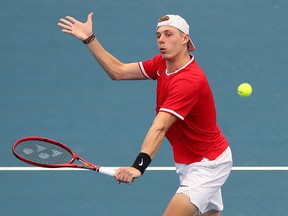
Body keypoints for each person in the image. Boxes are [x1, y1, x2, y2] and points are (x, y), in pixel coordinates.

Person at [58, 13, 233, 216]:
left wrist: (138, 167)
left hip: (208, 164)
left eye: (168, 34)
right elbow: (119, 71)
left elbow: (160, 127)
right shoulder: (162, 64)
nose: (161, 39)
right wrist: (90, 39)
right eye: (158, 35)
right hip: (188, 160)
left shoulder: (188, 81)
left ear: (185, 38)